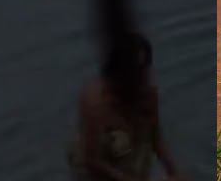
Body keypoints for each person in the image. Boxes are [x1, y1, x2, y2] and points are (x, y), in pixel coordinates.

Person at [69, 32, 183, 181]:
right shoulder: (95, 102)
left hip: (132, 156)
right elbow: (92, 161)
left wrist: (174, 171)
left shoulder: (148, 95)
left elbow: (156, 138)